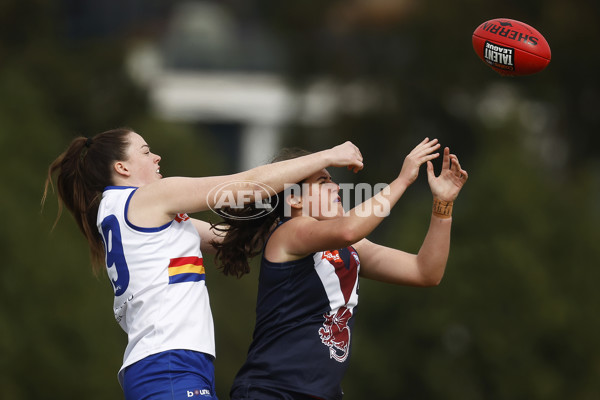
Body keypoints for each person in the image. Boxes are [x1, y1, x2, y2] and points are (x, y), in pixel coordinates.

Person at [42, 127, 364, 400]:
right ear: (122, 168)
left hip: (169, 365)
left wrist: (293, 222)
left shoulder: (130, 213)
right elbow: (245, 186)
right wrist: (327, 156)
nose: (156, 158)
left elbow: (226, 239)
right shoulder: (148, 198)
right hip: (169, 364)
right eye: (145, 151)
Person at [211, 138, 468, 400]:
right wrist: (402, 180)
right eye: (323, 182)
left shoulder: (351, 247)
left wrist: (443, 205)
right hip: (271, 392)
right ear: (295, 200)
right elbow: (348, 229)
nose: (336, 187)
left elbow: (425, 272)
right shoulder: (289, 233)